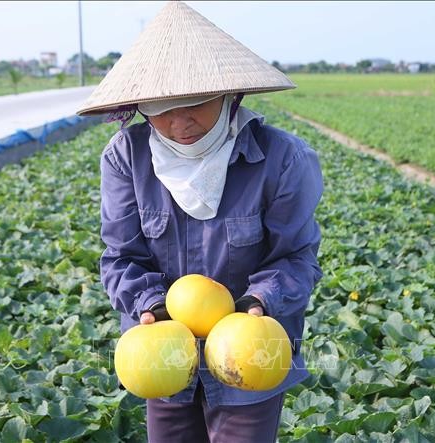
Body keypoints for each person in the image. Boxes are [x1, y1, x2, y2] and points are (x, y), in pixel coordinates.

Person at [77, 2, 323, 442]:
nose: (179, 122)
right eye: (161, 108)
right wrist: (151, 306)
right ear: (140, 107)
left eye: (196, 104)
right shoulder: (125, 157)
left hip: (252, 352)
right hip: (159, 354)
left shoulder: (285, 159)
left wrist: (257, 303)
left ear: (230, 94)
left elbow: (296, 257)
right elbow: (121, 255)